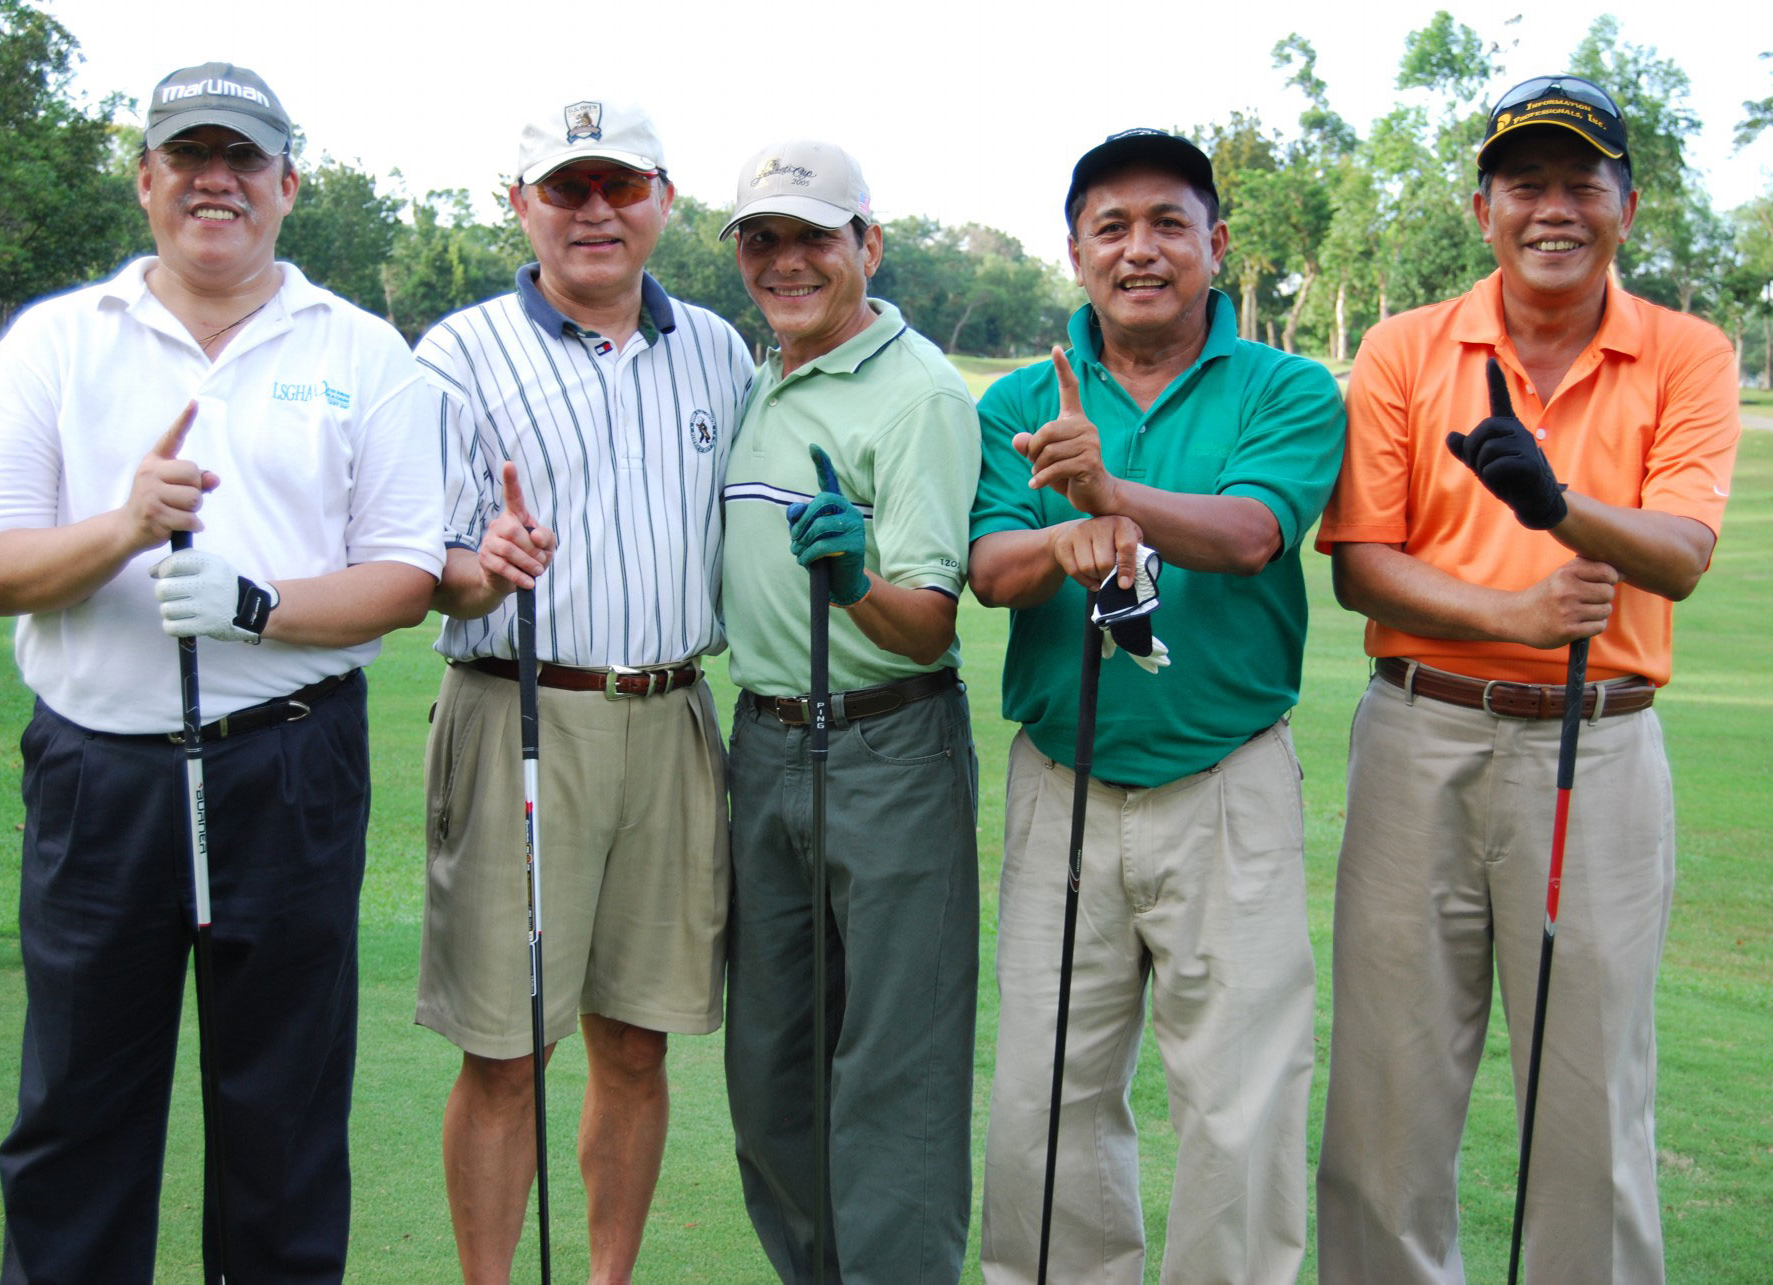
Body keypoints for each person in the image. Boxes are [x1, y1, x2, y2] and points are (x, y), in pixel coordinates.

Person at [0, 62, 442, 1281]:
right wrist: (124, 527)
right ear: (146, 180)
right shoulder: (57, 340)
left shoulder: (362, 348)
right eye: (188, 157)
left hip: (291, 767)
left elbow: (404, 576)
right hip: (97, 776)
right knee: (77, 1116)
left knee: (283, 1125)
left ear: (288, 183)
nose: (214, 181)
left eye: (241, 159)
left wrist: (255, 608)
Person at [1314, 75, 1741, 1283]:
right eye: (1524, 185)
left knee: (1590, 1101)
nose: (1553, 209)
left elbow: (1682, 551)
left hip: (1598, 746)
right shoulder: (1405, 347)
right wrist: (1514, 611)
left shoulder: (1687, 352)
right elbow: (1361, 562)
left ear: (1626, 207)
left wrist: (1559, 508)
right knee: (1388, 1094)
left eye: (1580, 185)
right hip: (1420, 734)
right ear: (1483, 208)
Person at [968, 129, 1345, 1284]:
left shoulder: (1287, 386)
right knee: (1047, 1101)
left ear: (1215, 244)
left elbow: (1252, 532)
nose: (1141, 249)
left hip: (1227, 780)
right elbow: (990, 568)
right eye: (1113, 227)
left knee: (1241, 1102)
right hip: (1062, 782)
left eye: (1169, 224)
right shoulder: (1021, 398)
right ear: (1075, 251)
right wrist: (1063, 537)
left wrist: (1106, 491)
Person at [412, 98, 751, 1283]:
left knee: (638, 1043)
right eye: (566, 188)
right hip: (519, 709)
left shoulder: (717, 348)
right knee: (506, 1051)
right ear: (521, 205)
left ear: (664, 198)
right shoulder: (457, 354)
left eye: (619, 185)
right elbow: (419, 563)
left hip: (673, 717)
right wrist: (479, 567)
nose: (594, 210)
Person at [716, 139, 981, 1282]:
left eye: (813, 237)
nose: (786, 261)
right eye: (762, 239)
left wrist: (856, 582)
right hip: (763, 744)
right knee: (771, 1069)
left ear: (867, 244)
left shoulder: (920, 392)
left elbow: (927, 622)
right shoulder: (755, 376)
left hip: (888, 745)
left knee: (893, 1075)